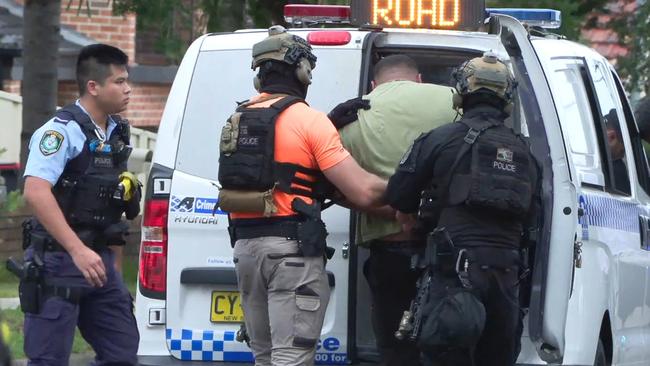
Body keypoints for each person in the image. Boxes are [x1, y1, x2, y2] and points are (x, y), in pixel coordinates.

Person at [218, 26, 387, 366]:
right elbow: (365, 192)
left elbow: (280, 164)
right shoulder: (309, 122)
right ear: (303, 70)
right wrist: (410, 181)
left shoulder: (239, 118)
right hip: (290, 255)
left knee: (265, 357)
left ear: (259, 77)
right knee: (292, 356)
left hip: (246, 253)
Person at [386, 52, 540, 366]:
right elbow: (534, 220)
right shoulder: (526, 153)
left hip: (453, 274)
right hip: (507, 277)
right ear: (507, 98)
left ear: (460, 93)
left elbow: (398, 194)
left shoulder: (441, 139)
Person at [329, 54, 455, 366]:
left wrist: (392, 210)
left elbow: (334, 187)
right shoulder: (454, 100)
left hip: (390, 251)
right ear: (419, 79)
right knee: (448, 344)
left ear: (374, 84)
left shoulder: (352, 114)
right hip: (448, 252)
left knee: (396, 348)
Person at [20, 43, 141, 365]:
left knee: (122, 354)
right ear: (93, 87)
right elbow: (35, 190)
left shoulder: (116, 133)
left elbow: (113, 206)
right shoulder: (61, 132)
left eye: (127, 80)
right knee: (49, 359)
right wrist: (77, 250)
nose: (127, 89)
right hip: (58, 262)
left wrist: (114, 266)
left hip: (98, 261)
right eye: (119, 81)